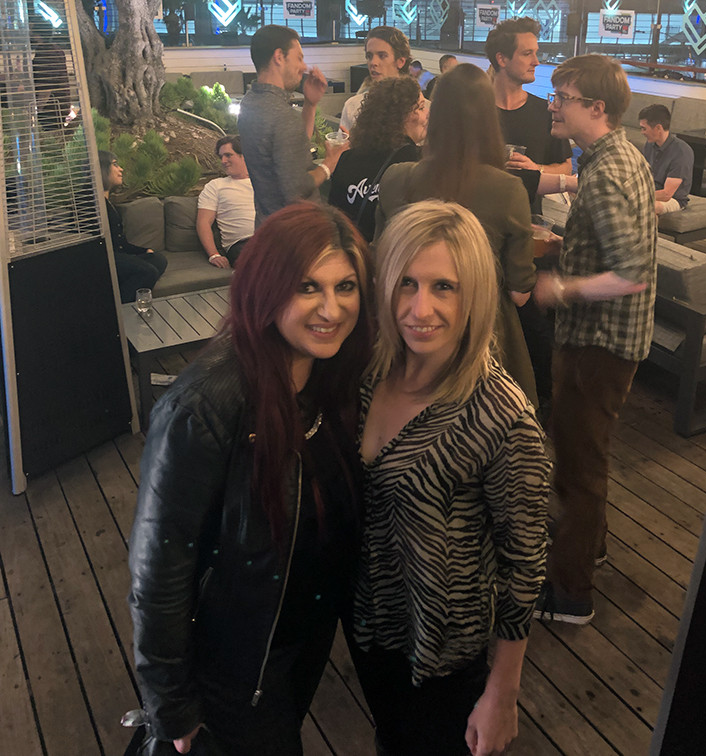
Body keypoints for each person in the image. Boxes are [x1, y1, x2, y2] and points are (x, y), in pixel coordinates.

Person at [128, 202, 373, 756]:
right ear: (266, 288)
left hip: (300, 639)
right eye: (308, 287)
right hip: (231, 665)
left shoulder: (333, 379)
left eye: (346, 287)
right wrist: (171, 705)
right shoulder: (204, 406)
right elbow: (158, 572)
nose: (331, 308)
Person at [350, 200, 549, 756]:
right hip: (368, 626)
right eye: (406, 283)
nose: (421, 309)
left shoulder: (500, 415)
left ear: (475, 294)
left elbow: (524, 565)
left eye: (444, 287)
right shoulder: (369, 371)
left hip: (444, 655)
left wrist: (503, 692)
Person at [532, 55, 657, 625]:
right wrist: (570, 247)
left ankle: (570, 594)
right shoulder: (623, 156)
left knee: (578, 470)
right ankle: (591, 547)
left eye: (563, 97)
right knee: (589, 457)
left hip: (596, 346)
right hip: (616, 343)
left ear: (597, 107)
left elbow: (631, 271)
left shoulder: (604, 174)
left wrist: (561, 287)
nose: (553, 105)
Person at [375, 63, 538, 406]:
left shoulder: (396, 178)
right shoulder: (508, 190)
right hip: (482, 342)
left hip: (406, 333)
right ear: (490, 120)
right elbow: (520, 293)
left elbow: (380, 265)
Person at [238, 25, 346, 225]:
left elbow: (290, 151)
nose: (304, 67)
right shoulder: (281, 115)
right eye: (299, 58)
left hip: (267, 226)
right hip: (296, 231)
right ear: (279, 57)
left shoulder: (250, 103)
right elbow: (296, 189)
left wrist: (310, 105)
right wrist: (329, 164)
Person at [485, 17, 572, 209]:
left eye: (536, 53)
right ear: (502, 59)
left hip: (527, 220)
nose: (536, 62)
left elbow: (566, 167)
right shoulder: (475, 110)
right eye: (527, 54)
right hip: (476, 219)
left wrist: (536, 169)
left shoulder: (546, 112)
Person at [329, 77, 427, 242]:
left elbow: (333, 219)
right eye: (422, 107)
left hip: (348, 252)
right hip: (387, 254)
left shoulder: (346, 159)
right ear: (406, 115)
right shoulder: (416, 164)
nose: (427, 114)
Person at [99, 151, 167, 304]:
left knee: (158, 259)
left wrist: (144, 251)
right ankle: (121, 308)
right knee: (148, 272)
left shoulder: (108, 202)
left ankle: (123, 287)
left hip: (118, 256)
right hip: (103, 260)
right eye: (115, 164)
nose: (121, 169)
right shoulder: (92, 205)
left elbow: (120, 244)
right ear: (102, 168)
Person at [196, 135, 256, 269]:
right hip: (241, 244)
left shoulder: (262, 182)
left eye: (228, 155)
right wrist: (214, 255)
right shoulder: (216, 186)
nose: (223, 161)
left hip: (272, 239)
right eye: (221, 157)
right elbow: (203, 222)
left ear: (244, 155)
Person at [340, 26, 411, 133]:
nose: (373, 63)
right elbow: (341, 142)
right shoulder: (353, 106)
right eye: (369, 56)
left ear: (400, 62)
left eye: (382, 56)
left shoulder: (418, 108)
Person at [638, 103, 694, 215]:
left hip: (674, 199)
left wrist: (638, 197)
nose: (642, 132)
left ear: (658, 128)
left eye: (644, 128)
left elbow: (666, 194)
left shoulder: (681, 152)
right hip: (651, 192)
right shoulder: (649, 145)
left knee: (648, 207)